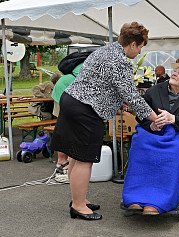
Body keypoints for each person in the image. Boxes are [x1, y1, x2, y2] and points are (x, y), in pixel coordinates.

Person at [50, 22, 158, 221]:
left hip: (71, 101)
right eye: (142, 46)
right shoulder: (120, 61)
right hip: (85, 109)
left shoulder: (105, 51)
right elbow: (132, 97)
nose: (141, 50)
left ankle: (78, 199)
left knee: (75, 155)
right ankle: (79, 206)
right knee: (84, 158)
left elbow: (109, 86)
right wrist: (155, 117)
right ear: (133, 44)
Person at [122, 61, 179, 215]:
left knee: (175, 152)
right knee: (139, 143)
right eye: (175, 71)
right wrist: (151, 125)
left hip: (176, 133)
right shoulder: (153, 91)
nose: (174, 74)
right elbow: (141, 115)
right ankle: (135, 197)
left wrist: (173, 119)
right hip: (152, 131)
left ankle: (160, 200)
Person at [51, 51, 93, 171]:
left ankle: (67, 159)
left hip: (62, 95)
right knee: (67, 129)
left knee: (66, 129)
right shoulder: (85, 68)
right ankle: (63, 161)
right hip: (63, 97)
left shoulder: (84, 65)